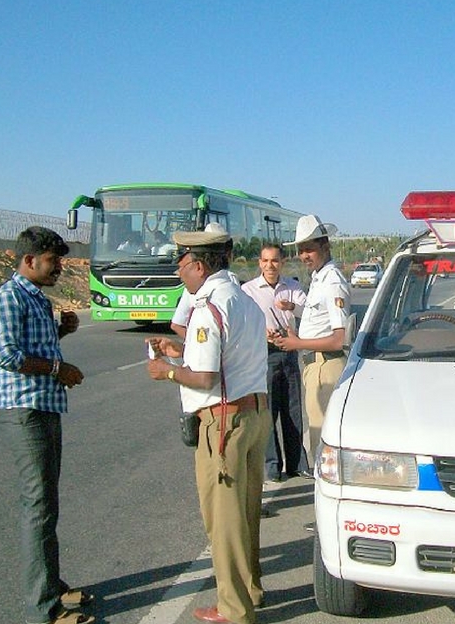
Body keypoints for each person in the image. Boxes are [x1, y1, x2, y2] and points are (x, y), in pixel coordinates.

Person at [146, 229, 270, 624]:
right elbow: (228, 356)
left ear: (199, 265)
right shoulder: (243, 300)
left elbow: (204, 379)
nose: (180, 272)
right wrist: (180, 352)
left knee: (224, 518)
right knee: (246, 511)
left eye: (182, 264)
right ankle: (249, 590)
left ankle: (234, 609)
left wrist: (166, 371)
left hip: (223, 421)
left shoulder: (207, 307)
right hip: (252, 414)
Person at [0, 227, 93, 624]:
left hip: (44, 407)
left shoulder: (34, 298)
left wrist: (61, 331)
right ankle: (44, 610)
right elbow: (7, 356)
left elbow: (33, 346)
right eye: (52, 261)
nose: (60, 268)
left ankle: (52, 585)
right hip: (24, 411)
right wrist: (57, 368)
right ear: (29, 260)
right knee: (38, 507)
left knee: (47, 503)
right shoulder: (7, 298)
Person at [272, 215, 352, 462]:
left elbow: (340, 339)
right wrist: (294, 310)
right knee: (320, 435)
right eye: (301, 250)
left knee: (323, 441)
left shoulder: (333, 282)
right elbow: (320, 318)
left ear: (325, 247)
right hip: (315, 365)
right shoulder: (319, 278)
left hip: (326, 366)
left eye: (310, 249)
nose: (304, 255)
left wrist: (297, 344)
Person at [241, 244, 309, 482]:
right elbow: (244, 324)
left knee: (293, 410)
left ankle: (297, 463)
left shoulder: (292, 287)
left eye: (275, 261)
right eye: (266, 261)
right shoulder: (248, 290)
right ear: (259, 263)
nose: (270, 266)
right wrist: (264, 334)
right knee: (268, 413)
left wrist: (291, 306)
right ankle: (272, 465)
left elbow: (309, 312)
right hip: (264, 356)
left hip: (289, 353)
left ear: (282, 263)